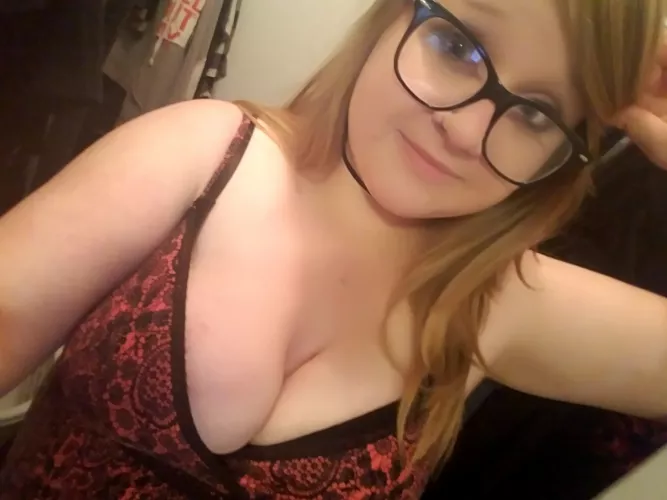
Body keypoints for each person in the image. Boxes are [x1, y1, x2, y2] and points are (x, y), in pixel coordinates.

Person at [0, 0, 666, 497]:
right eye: (458, 47)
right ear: (392, 16)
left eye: (535, 113)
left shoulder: (493, 303)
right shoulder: (204, 157)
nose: (465, 133)